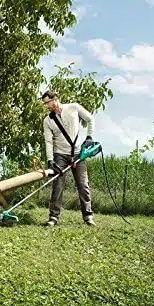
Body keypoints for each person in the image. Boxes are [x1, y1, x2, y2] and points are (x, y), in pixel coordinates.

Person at [41, 89, 96, 227]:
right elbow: (48, 141)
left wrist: (89, 137)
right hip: (60, 155)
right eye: (45, 104)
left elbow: (90, 119)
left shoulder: (74, 108)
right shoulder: (48, 121)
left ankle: (88, 216)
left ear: (55, 99)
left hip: (78, 153)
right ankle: (53, 217)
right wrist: (50, 160)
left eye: (48, 102)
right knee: (57, 186)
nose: (47, 106)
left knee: (83, 185)